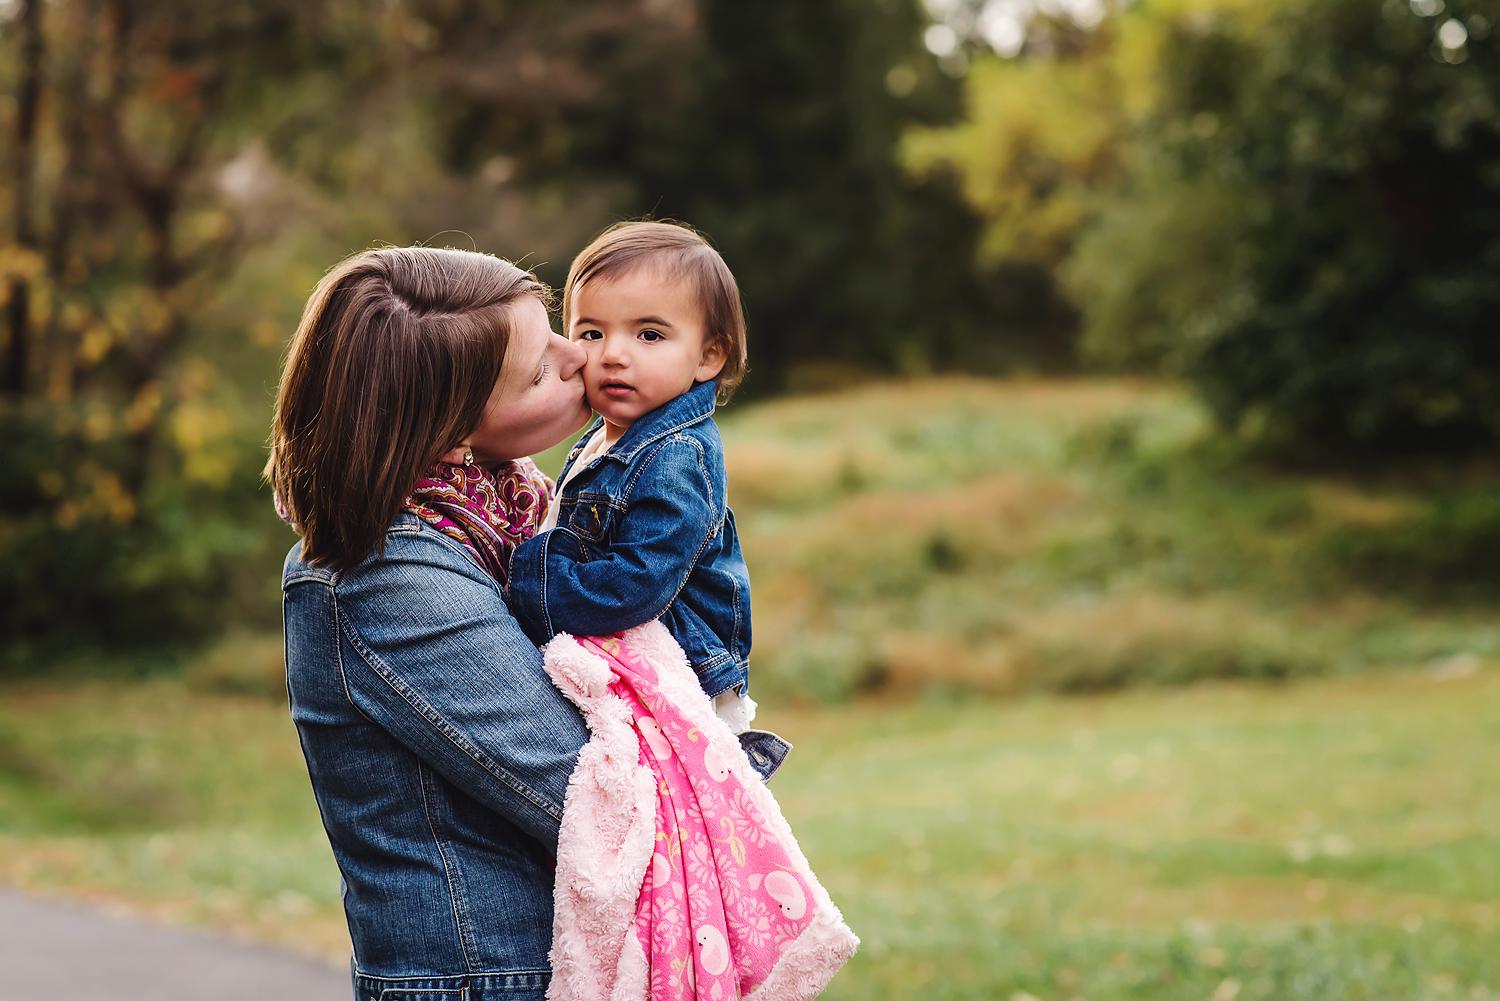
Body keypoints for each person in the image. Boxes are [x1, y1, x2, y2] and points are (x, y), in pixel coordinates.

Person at [267, 246, 596, 1001]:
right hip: (487, 979)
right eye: (540, 371)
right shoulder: (386, 578)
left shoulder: (506, 516)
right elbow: (587, 797)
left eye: (554, 333)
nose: (578, 354)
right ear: (449, 433)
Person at [505, 221, 777, 757]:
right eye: (592, 333)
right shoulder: (609, 435)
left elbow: (635, 586)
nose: (613, 354)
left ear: (708, 357)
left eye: (649, 335)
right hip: (624, 665)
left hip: (675, 678)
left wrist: (529, 578)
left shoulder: (677, 456)